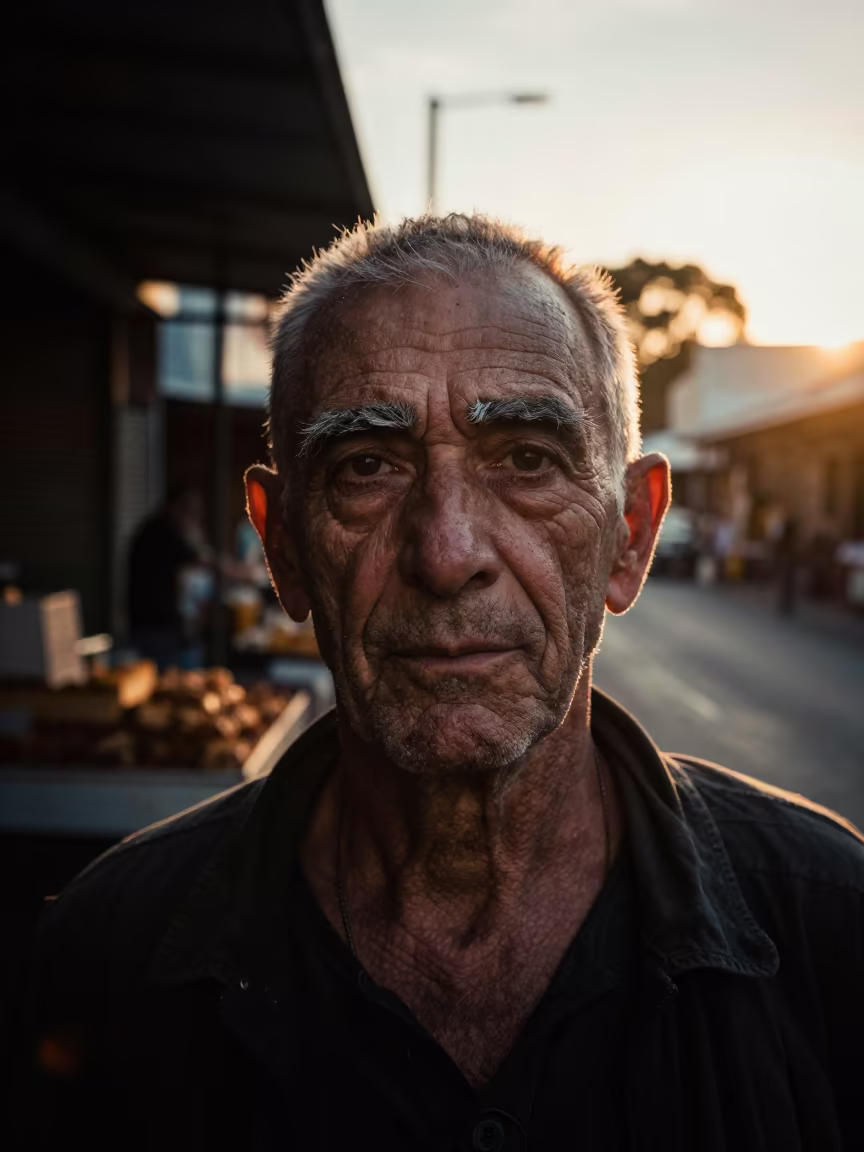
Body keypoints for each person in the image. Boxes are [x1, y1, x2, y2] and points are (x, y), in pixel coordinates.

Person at [17, 216, 864, 1150]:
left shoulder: (833, 931)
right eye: (367, 467)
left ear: (630, 534)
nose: (447, 552)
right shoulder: (106, 961)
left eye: (530, 462)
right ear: (283, 546)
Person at [126, 484, 211, 666]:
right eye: (189, 510)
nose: (193, 517)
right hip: (156, 630)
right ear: (175, 507)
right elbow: (201, 558)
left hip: (154, 628)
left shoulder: (153, 529)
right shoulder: (162, 532)